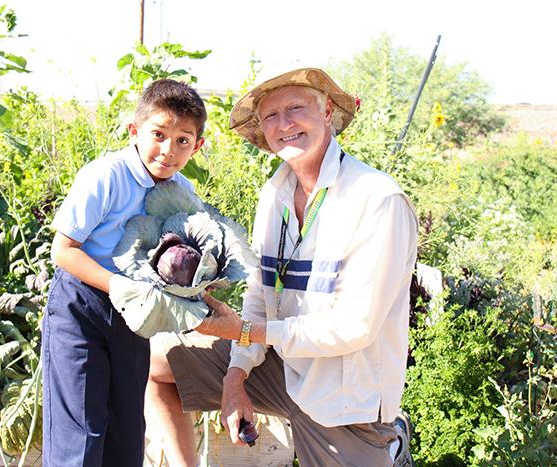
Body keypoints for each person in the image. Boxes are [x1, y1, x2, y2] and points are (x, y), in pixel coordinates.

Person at [146, 68, 418, 466]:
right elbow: (260, 296)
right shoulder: (275, 195)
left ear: (327, 112)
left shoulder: (375, 201)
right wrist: (236, 376)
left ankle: (388, 445)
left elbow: (353, 328)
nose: (284, 124)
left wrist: (244, 331)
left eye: (296, 108)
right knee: (156, 360)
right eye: (271, 115)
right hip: (282, 369)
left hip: (343, 400)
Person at [43, 79, 206, 466]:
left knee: (127, 436)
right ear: (135, 131)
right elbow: (63, 251)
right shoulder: (106, 176)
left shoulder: (184, 194)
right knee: (80, 436)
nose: (168, 150)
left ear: (197, 146)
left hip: (136, 316)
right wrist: (120, 286)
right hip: (81, 306)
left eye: (183, 140)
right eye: (158, 134)